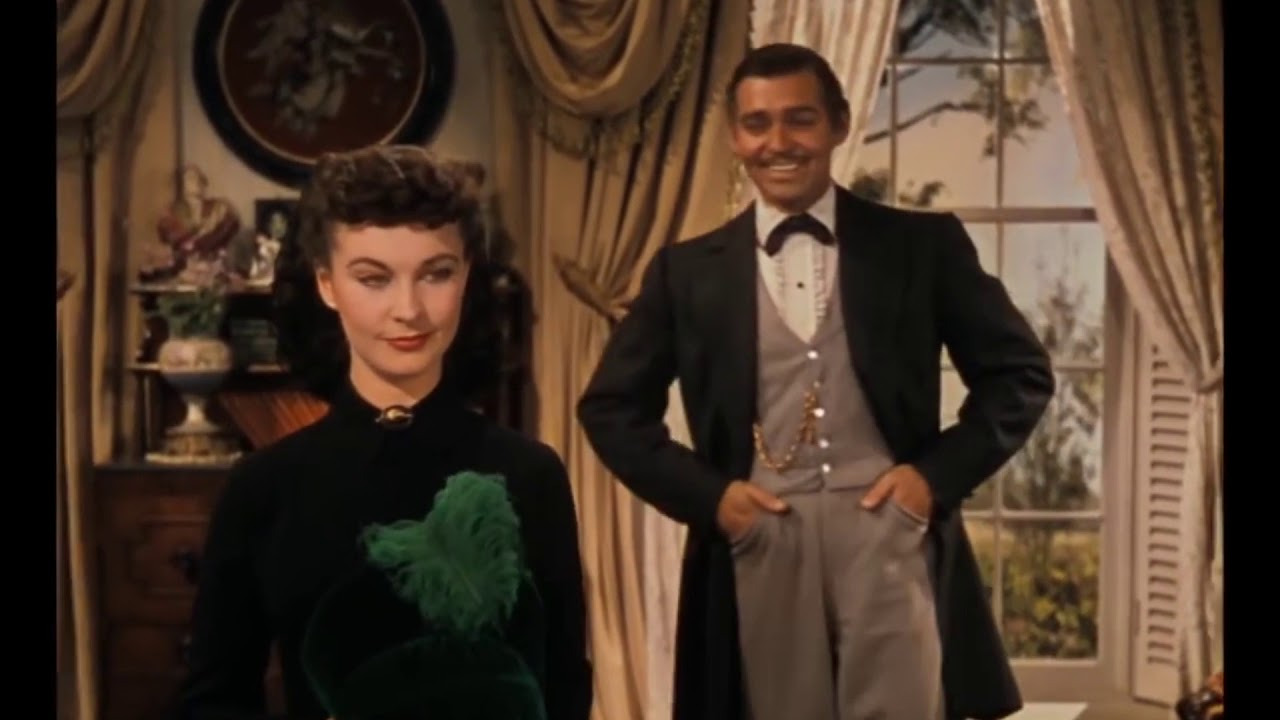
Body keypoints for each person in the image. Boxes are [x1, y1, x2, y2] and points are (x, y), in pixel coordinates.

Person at [576, 43, 1054, 720]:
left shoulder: (921, 246)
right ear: (735, 136)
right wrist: (712, 499)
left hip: (890, 543)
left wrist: (932, 479)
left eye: (799, 119)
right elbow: (610, 408)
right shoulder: (687, 272)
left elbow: (1020, 375)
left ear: (838, 123)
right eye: (757, 123)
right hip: (760, 544)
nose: (778, 143)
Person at [175, 145, 593, 720]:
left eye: (436, 274)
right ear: (327, 283)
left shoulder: (529, 474)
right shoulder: (265, 488)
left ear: (466, 275)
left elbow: (565, 688)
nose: (408, 309)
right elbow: (215, 701)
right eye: (373, 279)